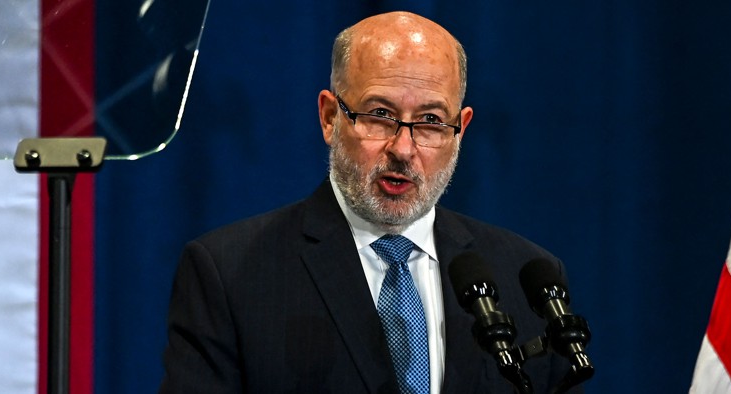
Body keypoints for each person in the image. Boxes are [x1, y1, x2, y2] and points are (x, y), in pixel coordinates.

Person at [160, 11, 583, 394]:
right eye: (379, 114)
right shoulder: (230, 274)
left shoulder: (522, 279)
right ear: (330, 117)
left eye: (432, 122)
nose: (403, 147)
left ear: (461, 129)